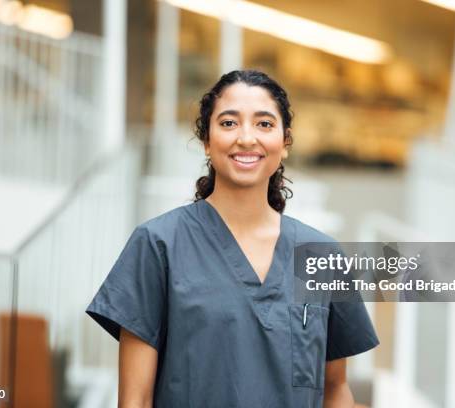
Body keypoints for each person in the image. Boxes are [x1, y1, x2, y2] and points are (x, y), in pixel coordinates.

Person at [85, 70, 379, 407]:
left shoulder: (319, 255)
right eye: (228, 123)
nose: (246, 138)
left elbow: (336, 389)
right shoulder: (158, 245)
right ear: (207, 142)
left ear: (285, 144)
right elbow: (135, 398)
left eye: (264, 124)